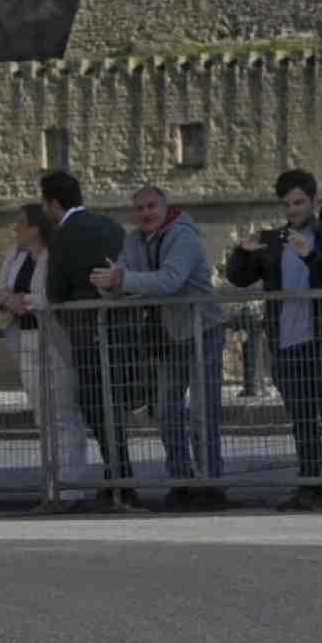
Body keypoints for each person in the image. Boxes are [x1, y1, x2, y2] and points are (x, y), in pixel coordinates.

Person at [228, 169, 322, 510]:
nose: (293, 210)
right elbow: (240, 278)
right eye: (287, 204)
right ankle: (310, 484)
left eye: (299, 202)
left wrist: (310, 256)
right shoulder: (273, 240)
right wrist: (241, 252)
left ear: (314, 202)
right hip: (286, 343)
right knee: (302, 418)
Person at [91, 185, 226, 510]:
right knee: (166, 411)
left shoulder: (184, 237)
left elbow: (170, 280)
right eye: (140, 208)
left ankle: (211, 483)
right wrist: (109, 287)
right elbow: (124, 280)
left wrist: (122, 280)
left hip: (202, 330)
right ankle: (181, 480)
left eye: (152, 206)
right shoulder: (134, 241)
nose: (146, 213)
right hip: (167, 335)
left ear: (165, 207)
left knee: (203, 412)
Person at [41, 170, 140, 511]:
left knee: (98, 405)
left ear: (53, 203)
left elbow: (55, 291)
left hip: (87, 332)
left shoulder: (64, 235)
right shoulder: (111, 226)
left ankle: (118, 477)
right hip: (122, 326)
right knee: (114, 404)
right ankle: (120, 475)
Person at [0, 203, 89, 501]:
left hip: (54, 338)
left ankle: (71, 486)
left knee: (62, 412)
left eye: (20, 224)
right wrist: (7, 301)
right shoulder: (15, 255)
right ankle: (52, 484)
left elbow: (54, 294)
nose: (16, 230)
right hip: (25, 337)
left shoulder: (53, 255)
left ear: (35, 228)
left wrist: (27, 300)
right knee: (42, 415)